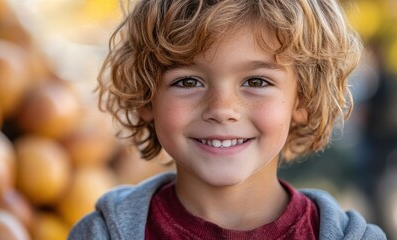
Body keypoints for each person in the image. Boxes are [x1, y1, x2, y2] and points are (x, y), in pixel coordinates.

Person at [69, 0, 387, 239]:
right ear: (146, 97)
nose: (222, 109)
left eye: (256, 82)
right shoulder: (102, 233)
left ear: (302, 98)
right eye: (188, 81)